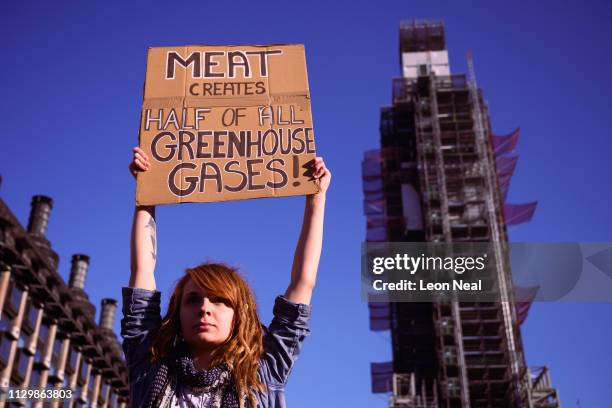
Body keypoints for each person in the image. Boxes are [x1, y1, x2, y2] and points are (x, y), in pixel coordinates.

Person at [121, 147, 331, 408]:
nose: (204, 309)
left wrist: (317, 198)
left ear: (239, 315)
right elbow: (141, 270)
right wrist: (147, 192)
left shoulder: (262, 374)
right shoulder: (148, 364)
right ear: (177, 312)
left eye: (220, 300)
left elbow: (303, 282)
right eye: (192, 300)